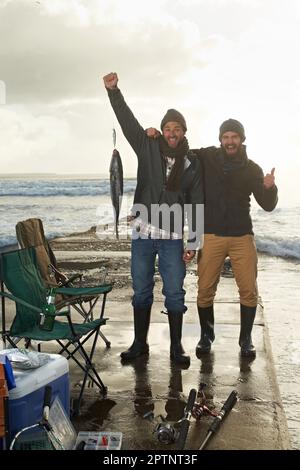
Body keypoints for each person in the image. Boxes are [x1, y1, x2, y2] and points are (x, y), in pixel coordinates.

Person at [146, 118, 278, 358]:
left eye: (234, 137)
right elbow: (177, 149)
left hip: (242, 236)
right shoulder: (207, 157)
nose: (230, 141)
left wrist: (270, 188)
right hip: (211, 235)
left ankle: (245, 339)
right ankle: (206, 336)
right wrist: (156, 137)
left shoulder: (252, 169)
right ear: (220, 139)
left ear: (242, 139)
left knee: (248, 290)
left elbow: (267, 205)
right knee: (205, 289)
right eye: (226, 137)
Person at [103, 72, 203, 367]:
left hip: (172, 238)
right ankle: (139, 343)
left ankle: (175, 347)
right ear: (161, 130)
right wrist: (113, 91)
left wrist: (193, 242)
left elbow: (196, 202)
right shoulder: (147, 146)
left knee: (174, 291)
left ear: (184, 131)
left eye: (177, 128)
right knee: (142, 288)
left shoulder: (191, 162)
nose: (171, 133)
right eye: (167, 128)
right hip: (143, 232)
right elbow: (128, 122)